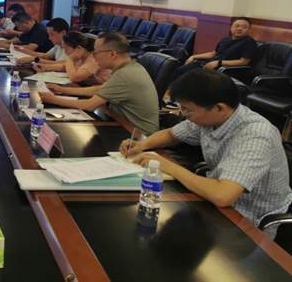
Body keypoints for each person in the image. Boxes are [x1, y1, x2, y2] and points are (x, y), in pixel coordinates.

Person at [120, 69, 292, 231]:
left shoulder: (255, 135)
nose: (182, 114)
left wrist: (168, 166)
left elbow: (222, 195)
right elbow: (172, 134)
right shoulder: (210, 118)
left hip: (250, 220)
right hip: (218, 202)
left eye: (188, 110)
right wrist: (142, 144)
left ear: (219, 108)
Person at [40, 32, 159, 134]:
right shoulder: (129, 67)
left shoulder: (124, 74)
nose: (93, 56)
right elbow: (99, 89)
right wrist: (61, 89)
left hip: (136, 133)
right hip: (119, 120)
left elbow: (90, 105)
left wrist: (52, 99)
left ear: (112, 54)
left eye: (96, 52)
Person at [173, 17, 257, 79]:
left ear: (249, 30)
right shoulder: (226, 39)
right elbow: (213, 53)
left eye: (244, 27)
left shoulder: (249, 42)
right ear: (231, 27)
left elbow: (243, 61)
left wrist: (219, 63)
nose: (239, 28)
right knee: (179, 70)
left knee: (188, 76)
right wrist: (194, 56)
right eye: (237, 26)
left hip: (227, 70)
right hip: (211, 65)